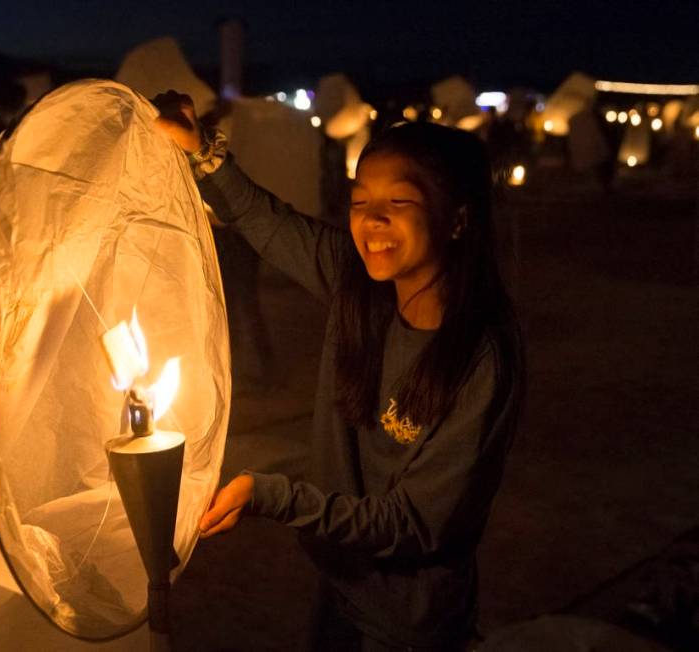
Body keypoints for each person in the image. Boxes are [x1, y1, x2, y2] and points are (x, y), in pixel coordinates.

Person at [154, 91, 524, 652]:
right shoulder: (360, 288)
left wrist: (273, 495)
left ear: (457, 219)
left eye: (399, 202)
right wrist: (199, 147)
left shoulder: (479, 361)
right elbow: (265, 221)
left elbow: (412, 523)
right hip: (341, 586)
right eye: (359, 200)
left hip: (409, 622)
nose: (372, 220)